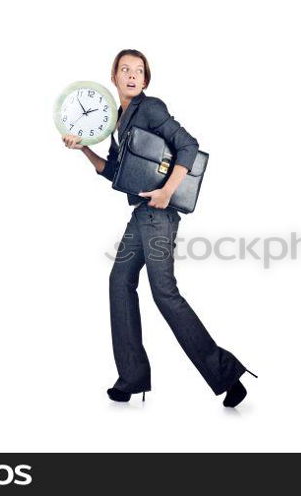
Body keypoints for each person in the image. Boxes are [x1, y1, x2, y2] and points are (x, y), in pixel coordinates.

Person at [62, 49, 252, 408]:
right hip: (142, 215)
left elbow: (189, 147)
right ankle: (132, 376)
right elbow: (113, 172)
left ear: (145, 80)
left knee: (164, 293)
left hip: (159, 214)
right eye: (125, 70)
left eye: (138, 71)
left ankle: (228, 377)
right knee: (119, 281)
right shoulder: (121, 118)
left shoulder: (151, 108)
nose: (132, 76)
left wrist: (167, 191)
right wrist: (84, 149)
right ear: (114, 77)